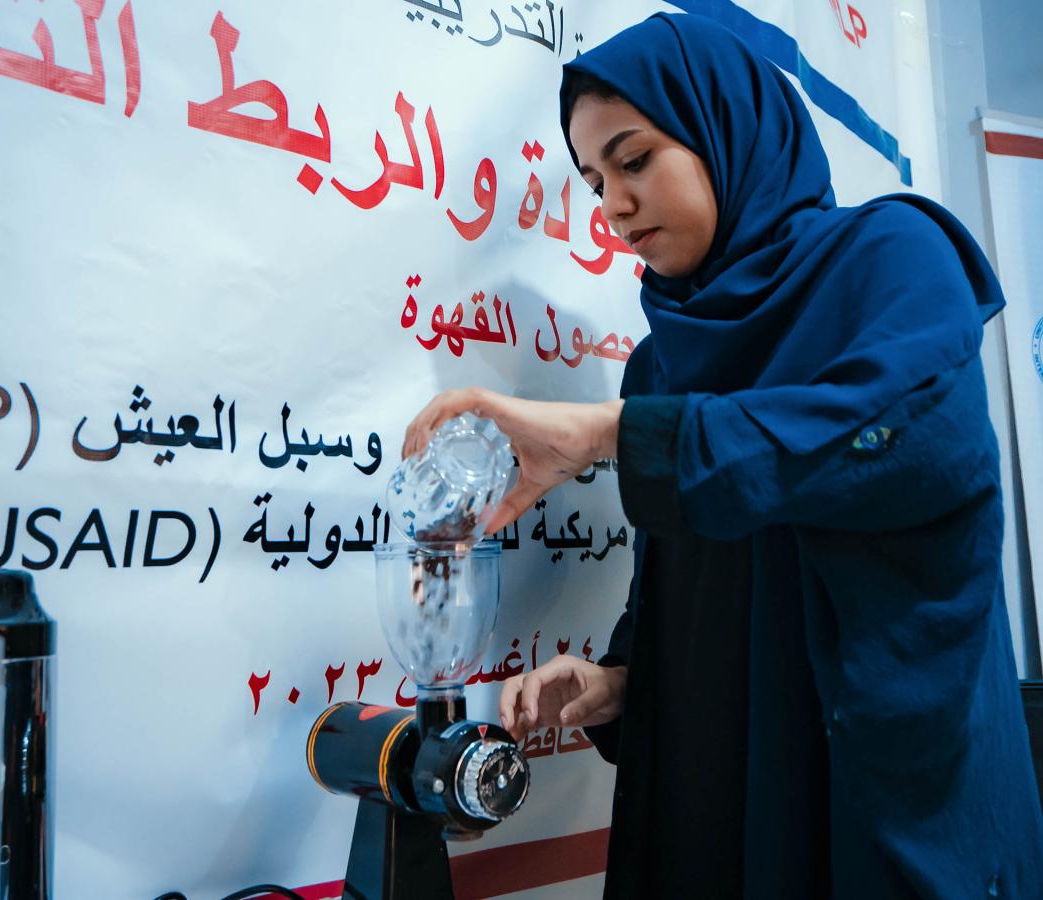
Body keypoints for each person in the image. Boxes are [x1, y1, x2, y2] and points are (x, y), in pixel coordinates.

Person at [400, 12, 1043, 899]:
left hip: (869, 796)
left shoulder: (891, 260)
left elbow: (909, 444)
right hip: (718, 801)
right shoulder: (663, 359)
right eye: (593, 180)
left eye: (633, 160)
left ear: (725, 132)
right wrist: (624, 675)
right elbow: (697, 576)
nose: (613, 206)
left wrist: (603, 436)